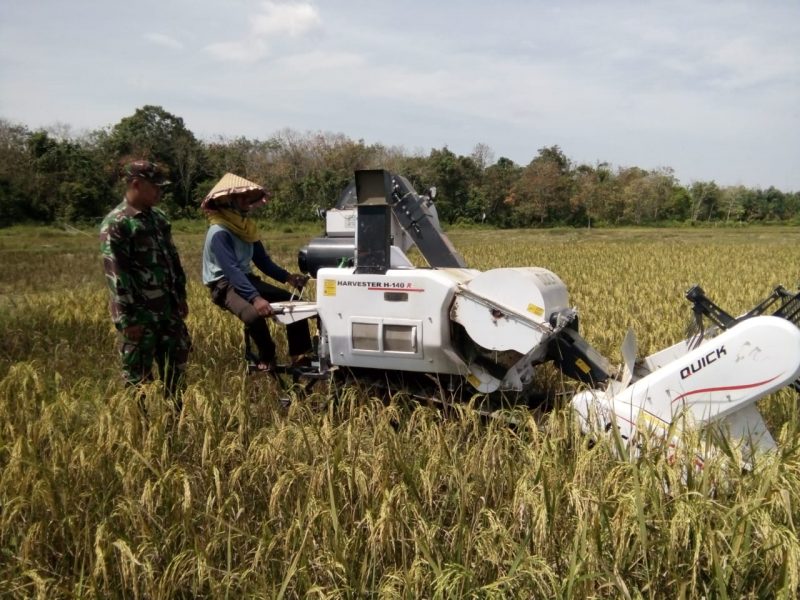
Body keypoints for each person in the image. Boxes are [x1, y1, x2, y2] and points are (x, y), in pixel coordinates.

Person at [99, 160, 191, 408]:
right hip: (139, 316)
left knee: (176, 372)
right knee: (138, 380)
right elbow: (117, 274)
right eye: (155, 187)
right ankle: (142, 430)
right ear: (136, 184)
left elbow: (172, 259)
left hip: (168, 312)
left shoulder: (158, 218)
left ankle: (176, 424)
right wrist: (128, 319)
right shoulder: (117, 223)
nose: (160, 193)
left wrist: (180, 296)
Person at [201, 173, 312, 372]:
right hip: (225, 284)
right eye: (241, 198)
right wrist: (255, 298)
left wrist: (288, 277)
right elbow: (231, 270)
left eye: (248, 198)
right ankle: (267, 355)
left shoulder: (245, 229)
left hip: (246, 279)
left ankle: (299, 355)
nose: (247, 202)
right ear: (228, 201)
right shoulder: (219, 232)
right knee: (253, 315)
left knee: (298, 305)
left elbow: (263, 261)